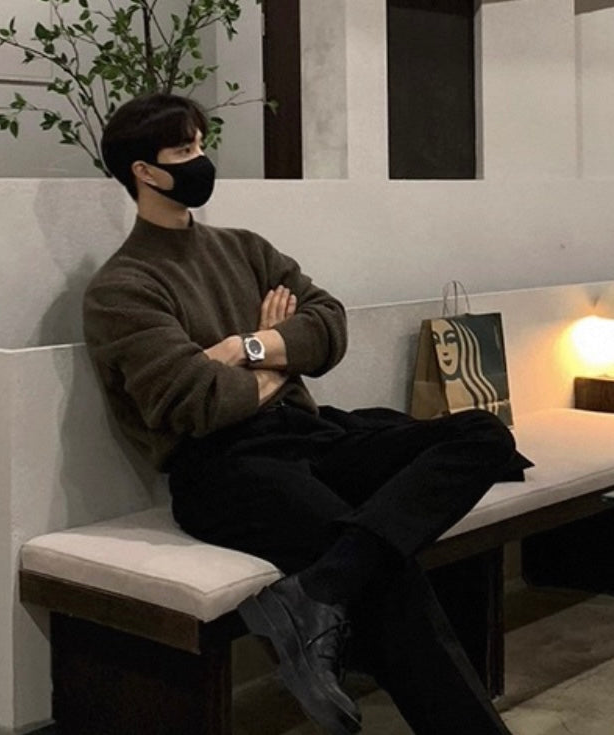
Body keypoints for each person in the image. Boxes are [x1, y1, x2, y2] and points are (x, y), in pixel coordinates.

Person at [83, 92, 528, 735]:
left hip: (312, 437)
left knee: (483, 436)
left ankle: (318, 592)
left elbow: (330, 326)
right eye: (184, 150)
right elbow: (197, 401)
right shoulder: (123, 287)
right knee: (391, 576)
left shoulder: (245, 249)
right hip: (225, 468)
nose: (202, 159)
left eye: (202, 144)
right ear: (144, 172)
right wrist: (286, 358)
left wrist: (246, 347)